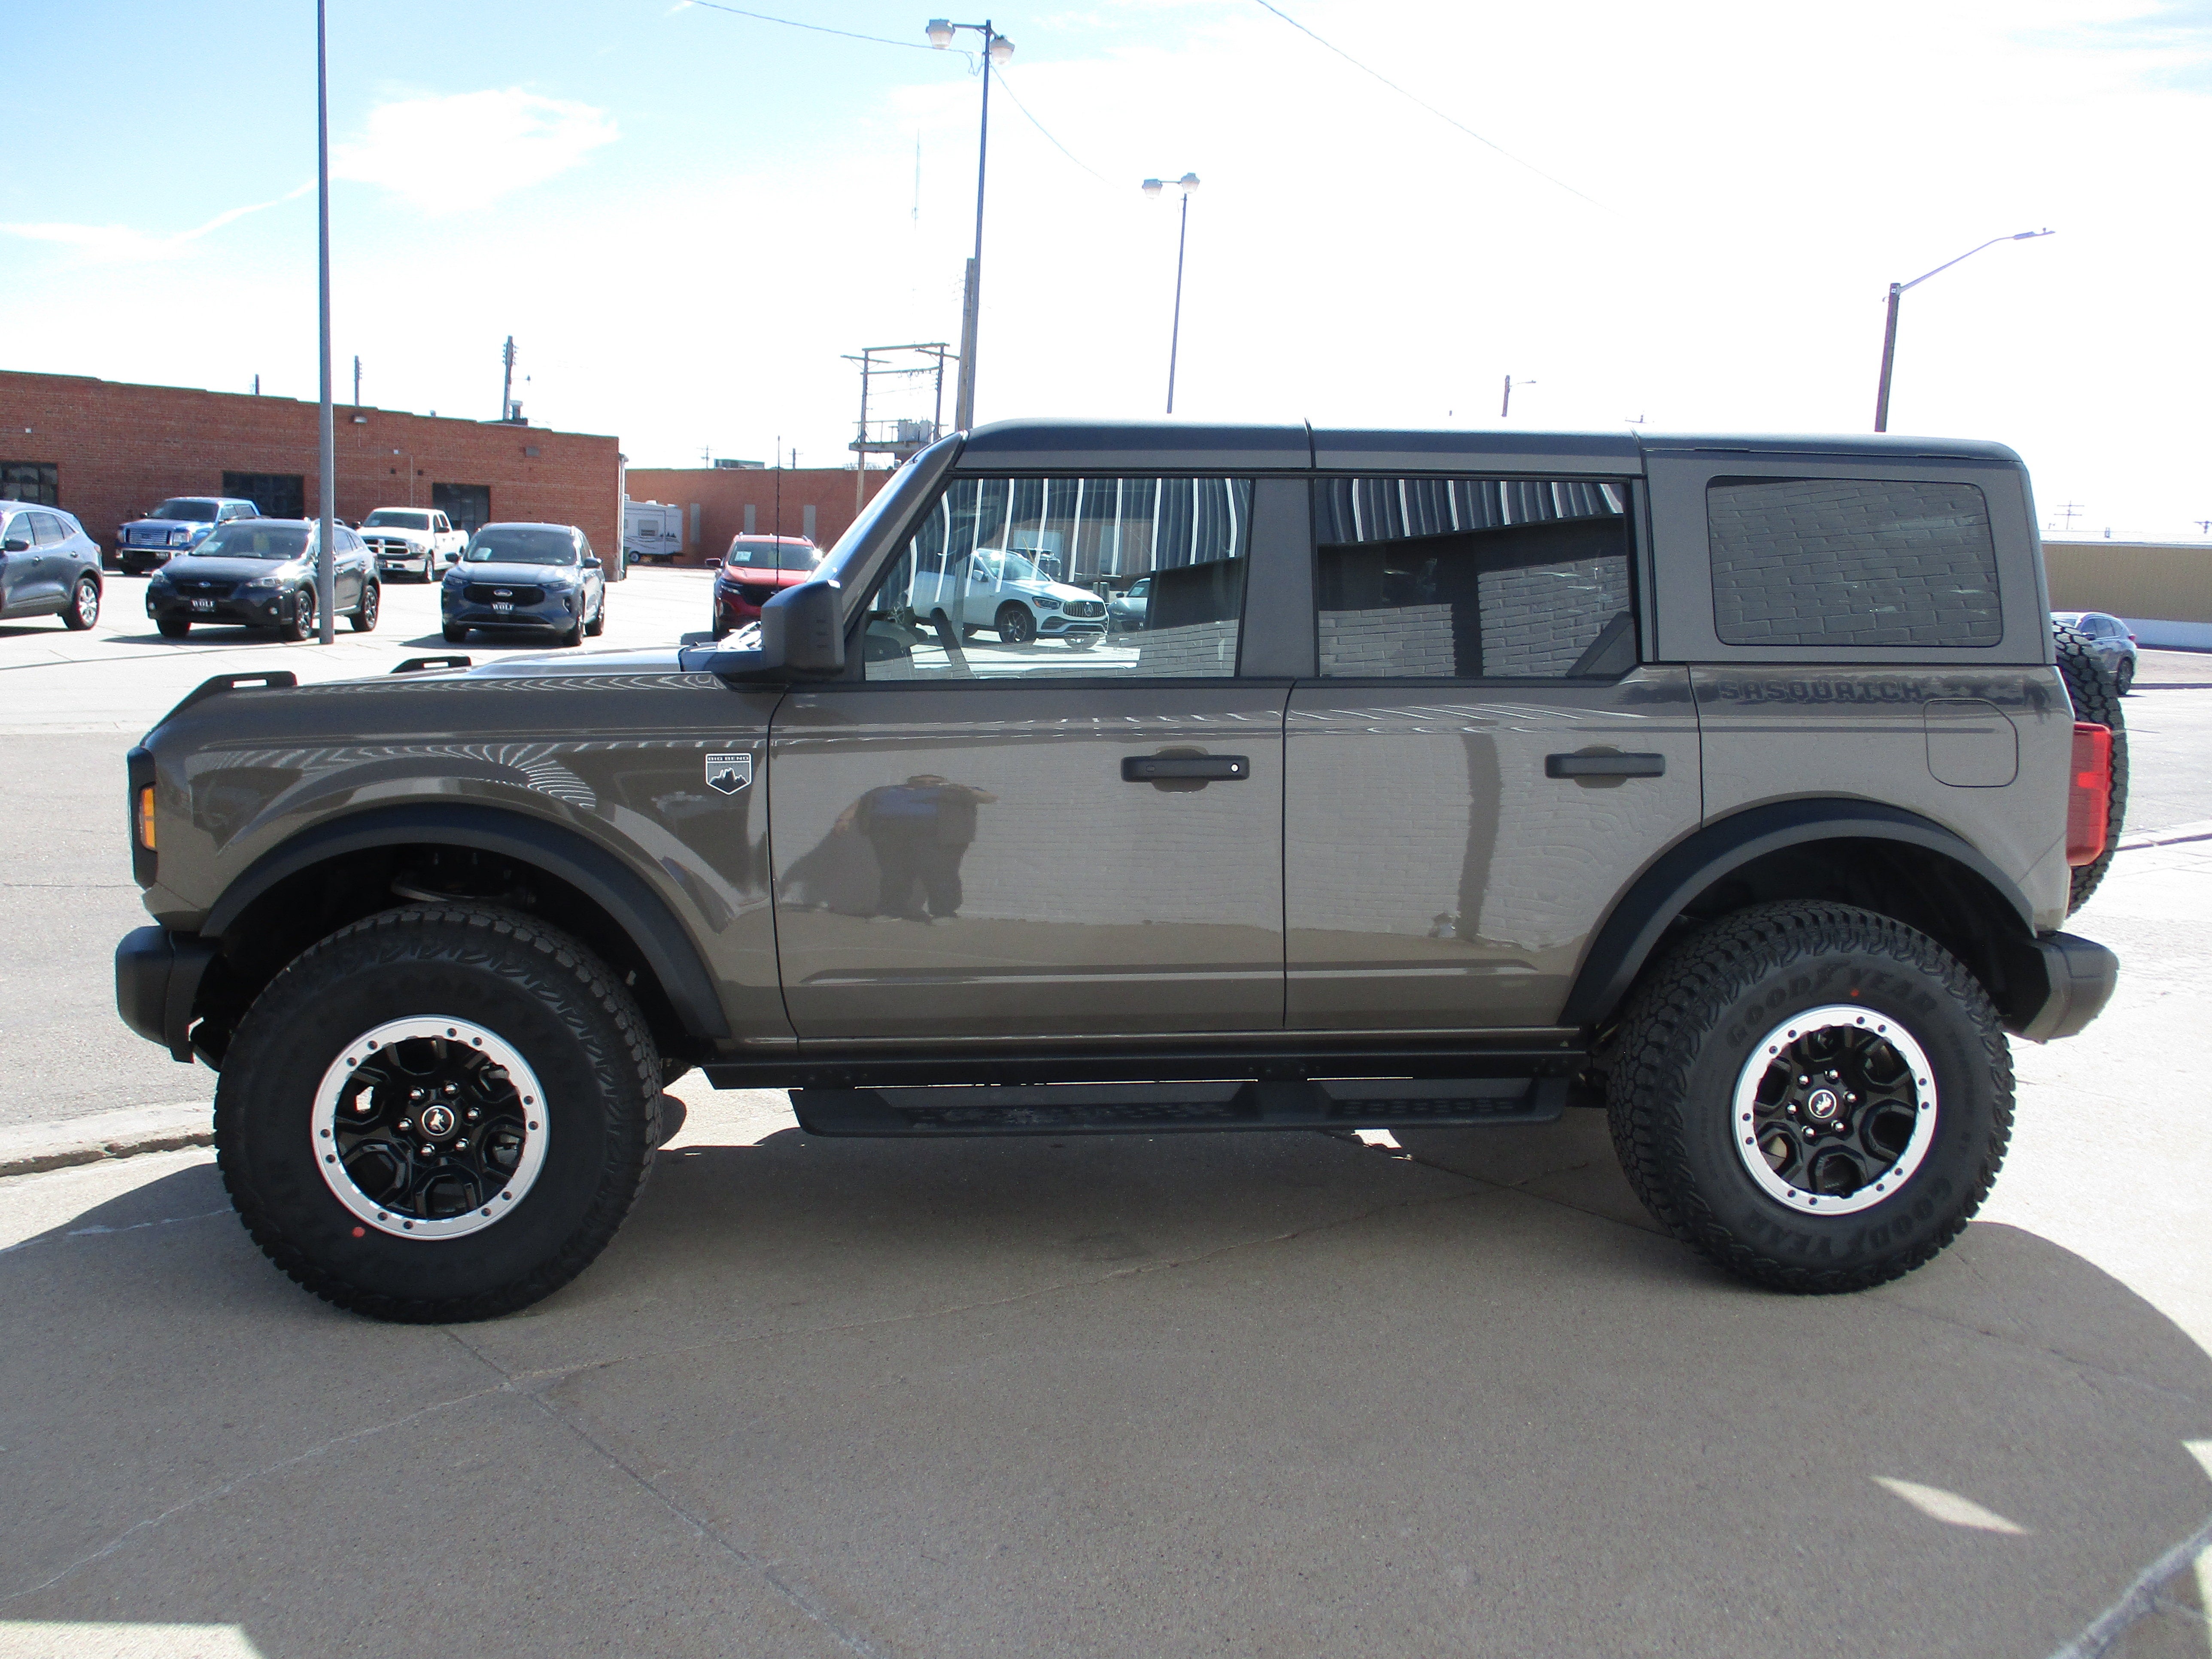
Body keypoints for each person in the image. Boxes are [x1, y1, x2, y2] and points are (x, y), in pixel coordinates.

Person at [839, 774, 997, 921]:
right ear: (911, 781)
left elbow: (990, 798)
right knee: (893, 873)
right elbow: (862, 802)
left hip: (934, 835)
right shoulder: (886, 790)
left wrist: (967, 790)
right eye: (922, 780)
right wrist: (844, 819)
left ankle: (945, 913)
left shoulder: (953, 790)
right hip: (887, 835)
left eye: (933, 781)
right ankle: (891, 910)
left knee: (939, 872)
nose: (927, 783)